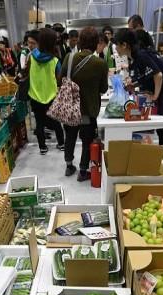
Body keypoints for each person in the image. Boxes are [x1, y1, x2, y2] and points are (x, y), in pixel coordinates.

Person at [115, 29, 163, 149]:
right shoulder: (135, 58)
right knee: (162, 132)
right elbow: (146, 77)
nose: (116, 48)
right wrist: (134, 85)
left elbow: (158, 75)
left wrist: (155, 96)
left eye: (117, 45)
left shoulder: (142, 56)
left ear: (124, 45)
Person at [61, 27, 108, 181]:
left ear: (80, 42)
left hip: (69, 107)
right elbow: (103, 89)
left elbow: (60, 80)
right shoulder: (100, 63)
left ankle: (69, 165)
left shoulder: (69, 58)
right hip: (88, 110)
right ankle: (83, 171)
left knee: (70, 137)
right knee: (87, 140)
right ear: (96, 43)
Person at [28, 27, 64, 155]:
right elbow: (59, 80)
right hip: (52, 96)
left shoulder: (31, 58)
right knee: (56, 122)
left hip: (35, 96)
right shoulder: (55, 61)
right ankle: (61, 144)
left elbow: (25, 74)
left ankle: (42, 147)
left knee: (39, 123)